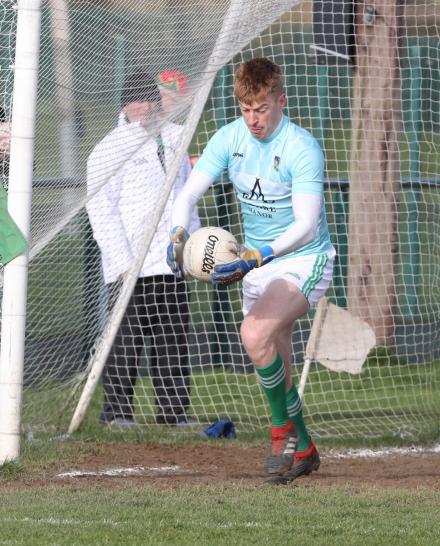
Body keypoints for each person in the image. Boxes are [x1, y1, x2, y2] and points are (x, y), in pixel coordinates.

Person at [167, 57, 335, 485]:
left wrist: (258, 254)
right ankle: (306, 447)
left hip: (302, 259)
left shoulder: (301, 148)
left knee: (254, 335)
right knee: (273, 352)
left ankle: (279, 435)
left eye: (261, 108)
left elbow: (306, 225)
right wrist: (178, 236)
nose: (254, 119)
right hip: (256, 263)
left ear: (281, 100)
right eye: (246, 109)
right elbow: (187, 194)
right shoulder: (230, 138)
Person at [86, 70, 200, 427]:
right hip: (131, 267)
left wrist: (191, 249)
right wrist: (122, 263)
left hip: (171, 262)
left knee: (172, 343)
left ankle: (173, 413)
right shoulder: (109, 149)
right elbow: (101, 210)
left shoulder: (175, 140)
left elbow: (187, 198)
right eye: (140, 100)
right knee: (127, 341)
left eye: (152, 99)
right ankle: (118, 413)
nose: (148, 107)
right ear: (126, 105)